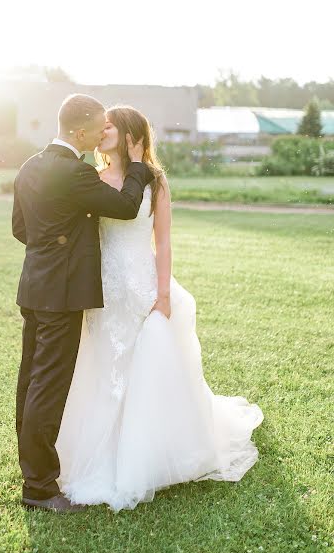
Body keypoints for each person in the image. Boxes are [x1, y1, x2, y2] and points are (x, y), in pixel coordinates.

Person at [55, 105, 264, 512]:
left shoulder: (156, 182)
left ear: (131, 133)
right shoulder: (93, 179)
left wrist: (163, 294)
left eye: (110, 125)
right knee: (104, 366)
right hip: (106, 290)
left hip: (144, 285)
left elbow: (163, 242)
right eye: (100, 126)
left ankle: (152, 452)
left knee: (146, 365)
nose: (102, 131)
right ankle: (100, 452)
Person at [12, 94, 155, 513]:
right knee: (48, 388)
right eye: (97, 129)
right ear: (79, 131)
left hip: (34, 289)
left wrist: (54, 247)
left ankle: (32, 472)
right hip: (61, 296)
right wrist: (141, 167)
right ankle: (39, 488)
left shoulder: (29, 167)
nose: (100, 136)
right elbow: (127, 207)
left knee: (30, 383)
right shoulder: (75, 173)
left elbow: (22, 228)